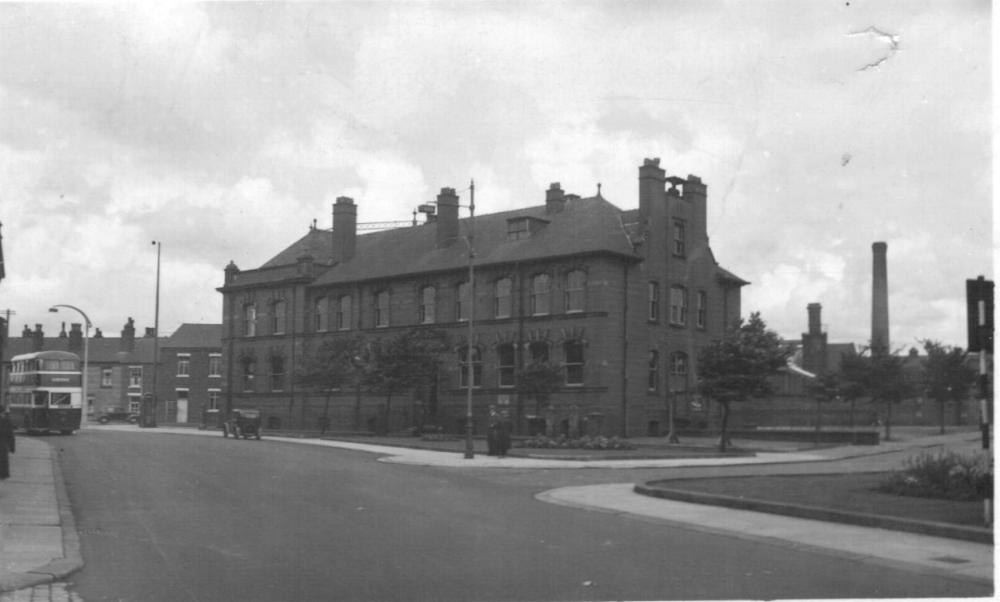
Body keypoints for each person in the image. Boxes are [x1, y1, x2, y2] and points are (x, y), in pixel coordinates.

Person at [0, 408, 15, 481]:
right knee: (3, 460)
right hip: (3, 444)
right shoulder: (7, 421)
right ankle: (3, 475)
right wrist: (12, 447)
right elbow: (11, 435)